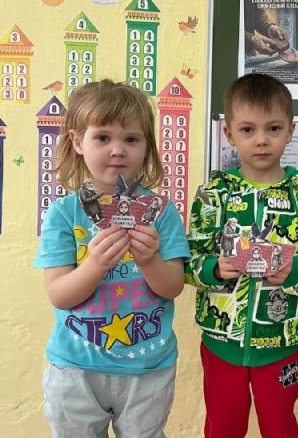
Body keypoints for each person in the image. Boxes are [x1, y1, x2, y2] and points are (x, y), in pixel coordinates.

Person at [34, 79, 191, 437]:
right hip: (75, 367)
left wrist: (149, 261)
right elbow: (59, 294)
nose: (118, 150)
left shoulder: (160, 211)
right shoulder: (63, 214)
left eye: (131, 139)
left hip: (148, 366)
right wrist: (95, 265)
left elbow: (173, 287)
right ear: (78, 142)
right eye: (103, 137)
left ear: (147, 146)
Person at [186, 73, 298, 438]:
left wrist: (295, 270)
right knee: (222, 428)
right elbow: (187, 260)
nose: (262, 140)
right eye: (248, 130)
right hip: (222, 343)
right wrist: (214, 269)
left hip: (284, 341)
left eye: (273, 128)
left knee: (280, 428)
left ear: (291, 131)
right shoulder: (214, 193)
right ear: (229, 133)